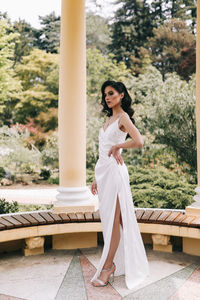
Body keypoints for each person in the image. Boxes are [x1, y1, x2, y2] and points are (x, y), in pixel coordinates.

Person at [90, 80, 150, 289]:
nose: (107, 97)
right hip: (104, 173)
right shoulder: (108, 119)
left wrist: (119, 146)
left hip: (115, 173)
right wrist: (96, 177)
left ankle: (108, 266)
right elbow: (102, 150)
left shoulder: (123, 117)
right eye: (105, 94)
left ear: (122, 94)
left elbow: (139, 141)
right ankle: (132, 261)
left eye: (111, 93)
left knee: (113, 221)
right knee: (115, 220)